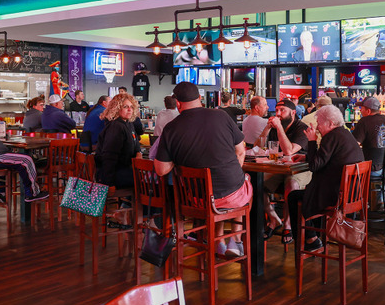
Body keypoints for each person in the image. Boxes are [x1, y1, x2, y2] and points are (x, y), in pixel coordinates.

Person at [155, 82, 251, 258]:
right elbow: (240, 151)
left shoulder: (171, 128)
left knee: (215, 195)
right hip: (230, 196)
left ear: (178, 103)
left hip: (195, 200)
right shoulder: (221, 116)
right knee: (245, 181)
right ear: (200, 99)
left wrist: (175, 160)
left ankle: (218, 241)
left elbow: (161, 170)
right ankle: (235, 239)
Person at [287, 105, 364, 252]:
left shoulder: (331, 136)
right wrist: (307, 156)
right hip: (352, 195)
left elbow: (315, 166)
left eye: (320, 123)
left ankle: (309, 240)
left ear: (330, 123)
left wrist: (311, 141)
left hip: (335, 197)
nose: (317, 127)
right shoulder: (344, 134)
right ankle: (314, 238)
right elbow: (326, 158)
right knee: (310, 192)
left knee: (294, 196)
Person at [258, 98, 312, 243]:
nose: (278, 114)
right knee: (256, 183)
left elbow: (289, 151)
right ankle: (274, 218)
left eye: (282, 110)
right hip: (281, 168)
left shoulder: (302, 128)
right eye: (276, 110)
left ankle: (288, 224)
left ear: (293, 112)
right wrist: (267, 128)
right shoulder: (276, 127)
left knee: (291, 184)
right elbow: (258, 148)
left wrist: (279, 128)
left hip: (302, 169)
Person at [95, 93, 141, 189]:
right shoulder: (116, 126)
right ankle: (130, 204)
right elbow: (109, 156)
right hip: (114, 174)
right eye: (125, 107)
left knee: (145, 178)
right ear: (116, 108)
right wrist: (110, 183)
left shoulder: (128, 123)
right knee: (146, 182)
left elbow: (136, 144)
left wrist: (138, 153)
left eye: (131, 107)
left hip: (125, 170)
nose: (130, 110)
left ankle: (126, 204)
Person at [352, 96, 385, 179]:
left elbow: (354, 144)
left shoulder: (364, 121)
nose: (360, 110)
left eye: (362, 108)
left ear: (368, 111)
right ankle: (381, 191)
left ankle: (362, 192)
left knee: (351, 172)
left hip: (373, 169)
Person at [147, 95, 180, 161]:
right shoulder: (178, 115)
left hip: (156, 144)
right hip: (169, 146)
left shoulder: (160, 113)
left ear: (165, 104)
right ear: (177, 103)